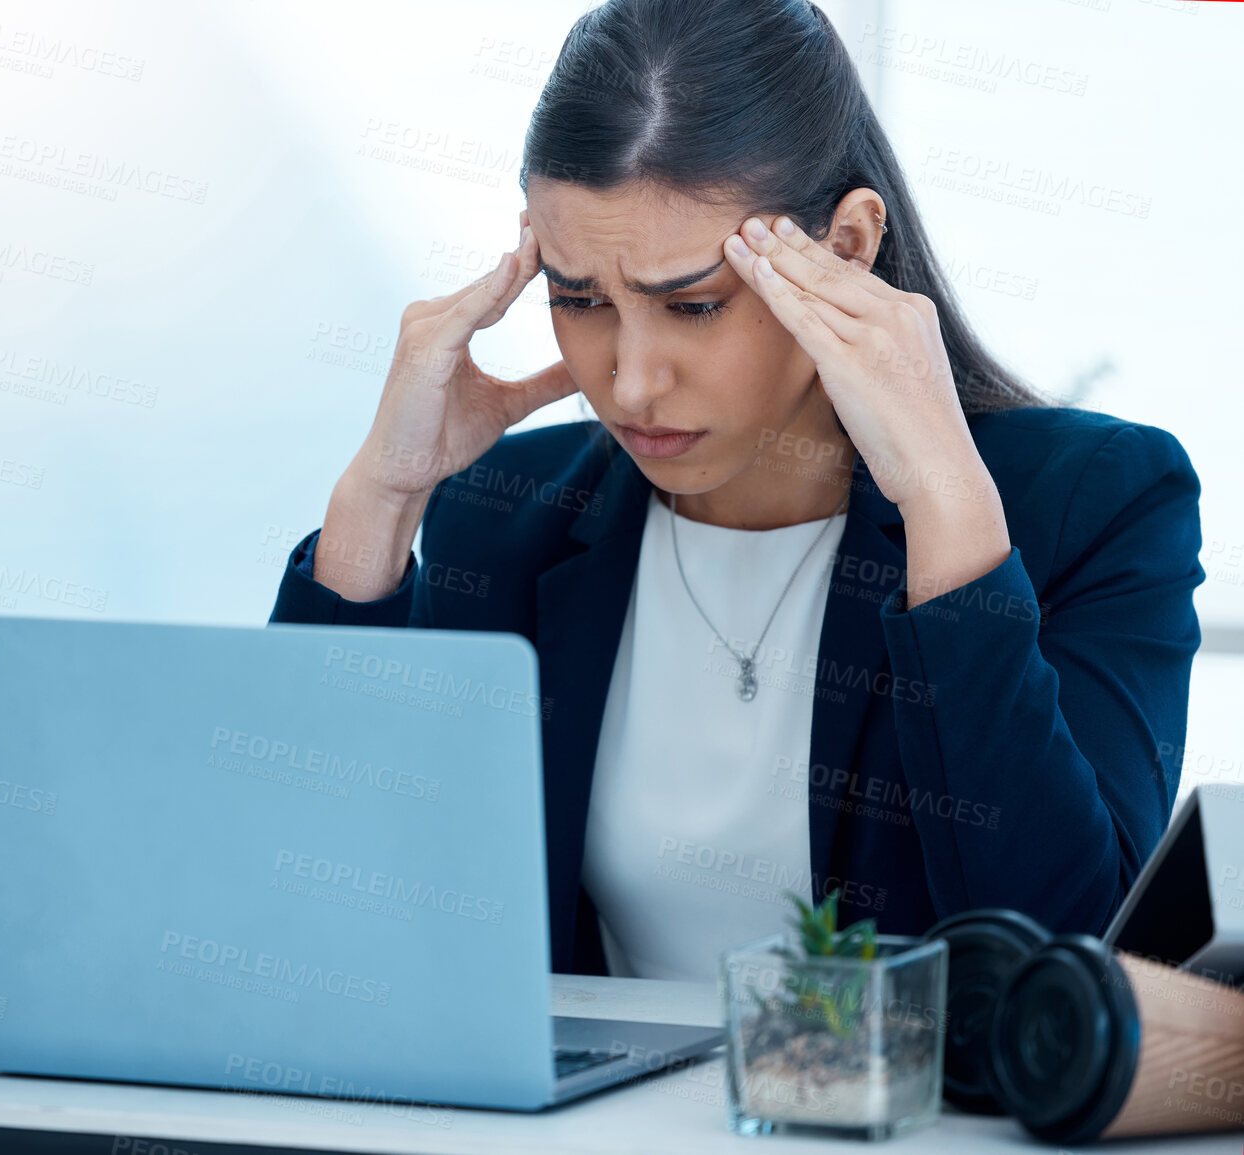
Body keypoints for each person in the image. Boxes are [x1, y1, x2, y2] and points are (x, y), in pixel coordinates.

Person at [268, 0, 1203, 981]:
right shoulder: (510, 516)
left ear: (844, 247)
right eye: (579, 299)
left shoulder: (1090, 502)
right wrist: (381, 496)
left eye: (693, 305)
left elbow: (1065, 959)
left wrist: (944, 507)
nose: (629, 382)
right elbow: (314, 909)